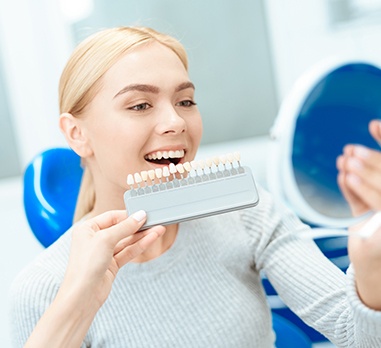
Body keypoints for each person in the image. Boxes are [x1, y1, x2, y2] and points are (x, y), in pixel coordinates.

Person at [10, 26, 381, 347]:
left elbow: (358, 334)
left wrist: (370, 269)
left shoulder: (246, 213)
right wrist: (77, 304)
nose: (175, 121)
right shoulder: (41, 289)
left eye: (185, 100)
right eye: (140, 105)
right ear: (76, 134)